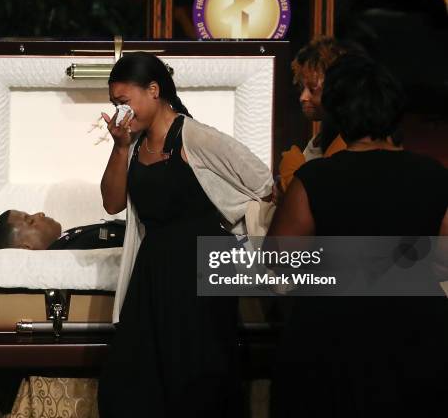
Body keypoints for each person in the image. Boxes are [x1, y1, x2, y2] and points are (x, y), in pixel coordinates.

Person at [268, 53, 448, 417]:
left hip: (331, 329)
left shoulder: (315, 179)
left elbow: (279, 258)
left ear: (338, 112)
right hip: (416, 329)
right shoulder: (433, 175)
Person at [97, 51, 273, 418]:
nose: (120, 113)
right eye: (115, 104)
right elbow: (112, 203)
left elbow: (264, 183)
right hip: (154, 270)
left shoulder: (197, 137)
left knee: (198, 376)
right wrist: (119, 145)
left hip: (202, 270)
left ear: (154, 90)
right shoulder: (131, 144)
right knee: (132, 380)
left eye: (125, 102)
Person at [275, 37, 348, 202]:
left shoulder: (347, 140)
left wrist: (289, 171)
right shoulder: (322, 137)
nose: (303, 97)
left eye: (312, 89)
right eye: (302, 88)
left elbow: (317, 198)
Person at [0, 210, 125, 250]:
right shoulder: (71, 254)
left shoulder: (67, 241)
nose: (40, 214)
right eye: (30, 220)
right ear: (26, 247)